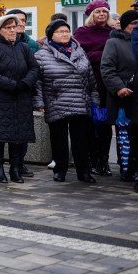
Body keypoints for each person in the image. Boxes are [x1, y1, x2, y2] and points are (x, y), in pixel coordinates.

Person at [35, 18, 99, 184]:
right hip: (56, 101)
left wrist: (94, 97)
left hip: (80, 100)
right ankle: (60, 170)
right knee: (58, 139)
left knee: (81, 139)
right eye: (60, 31)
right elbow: (38, 82)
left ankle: (83, 171)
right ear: (51, 36)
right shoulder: (41, 55)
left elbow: (90, 77)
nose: (65, 34)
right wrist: (39, 102)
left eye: (67, 31)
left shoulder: (79, 50)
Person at [0, 14, 40, 183]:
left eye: (15, 27)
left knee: (18, 136)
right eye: (8, 28)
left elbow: (35, 68)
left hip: (20, 98)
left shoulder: (24, 48)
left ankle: (15, 169)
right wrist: (12, 85)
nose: (13, 30)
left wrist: (25, 83)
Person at [74, 0, 117, 177]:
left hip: (108, 84)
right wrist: (103, 55)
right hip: (89, 84)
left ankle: (104, 161)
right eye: (98, 11)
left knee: (105, 124)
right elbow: (79, 56)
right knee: (90, 124)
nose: (102, 14)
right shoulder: (82, 33)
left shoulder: (113, 33)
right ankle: (92, 159)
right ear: (91, 14)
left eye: (105, 12)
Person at [101, 10, 138, 185]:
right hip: (125, 96)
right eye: (134, 23)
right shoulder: (114, 43)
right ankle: (128, 169)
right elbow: (107, 68)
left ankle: (137, 170)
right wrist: (119, 87)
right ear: (125, 25)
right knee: (127, 137)